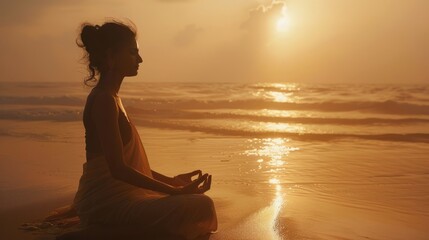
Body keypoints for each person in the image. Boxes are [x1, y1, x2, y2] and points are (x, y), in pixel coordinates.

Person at [55, 20, 217, 240]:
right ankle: (102, 231)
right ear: (112, 56)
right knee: (200, 206)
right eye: (133, 52)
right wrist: (173, 192)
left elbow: (129, 166)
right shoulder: (103, 101)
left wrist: (172, 180)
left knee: (200, 206)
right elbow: (118, 170)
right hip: (107, 202)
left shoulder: (113, 98)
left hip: (119, 197)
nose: (139, 59)